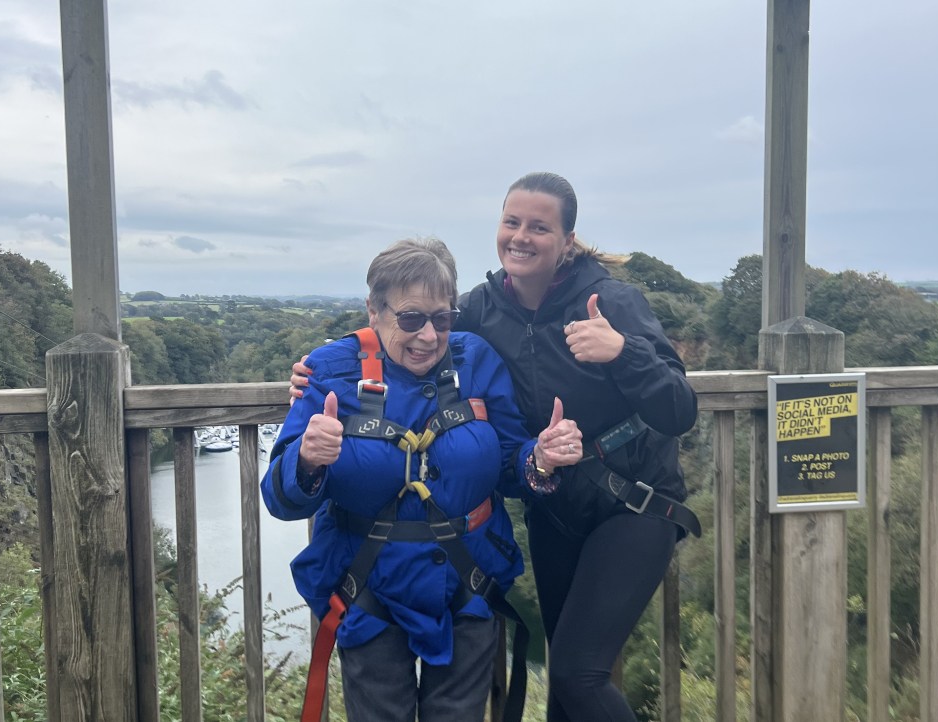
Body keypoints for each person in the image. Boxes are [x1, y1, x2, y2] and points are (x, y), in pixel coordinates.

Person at [292, 173, 699, 722]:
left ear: (568, 239)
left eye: (540, 227)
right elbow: (405, 319)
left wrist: (622, 350)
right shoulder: (480, 309)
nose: (521, 237)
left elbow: (678, 411)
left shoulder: (609, 302)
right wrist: (321, 371)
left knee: (581, 674)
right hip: (555, 505)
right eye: (512, 222)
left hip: (632, 502)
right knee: (566, 678)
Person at [263, 237, 584, 722]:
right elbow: (280, 497)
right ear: (374, 310)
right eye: (410, 319)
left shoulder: (474, 360)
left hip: (467, 587)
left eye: (442, 318)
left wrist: (539, 459)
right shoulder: (330, 371)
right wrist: (308, 460)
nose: (429, 336)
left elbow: (509, 465)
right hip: (368, 591)